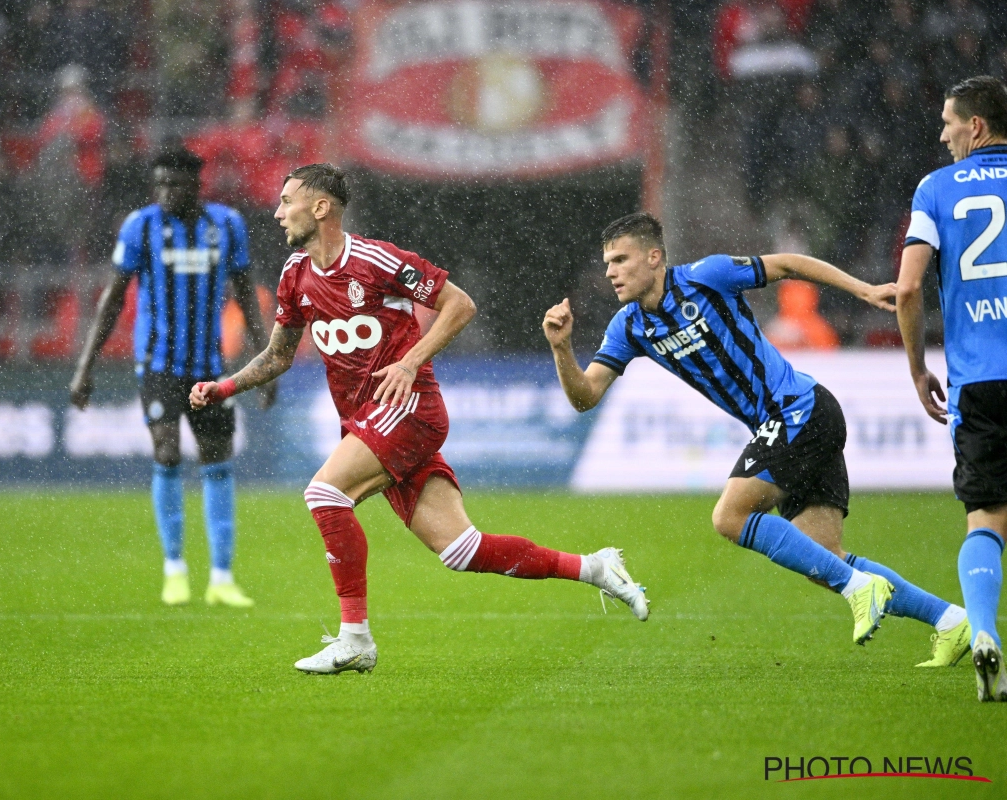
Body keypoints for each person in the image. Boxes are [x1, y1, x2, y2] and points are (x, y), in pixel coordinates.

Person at [190, 163, 648, 675]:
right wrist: (224, 387)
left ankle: (355, 638)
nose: (276, 213)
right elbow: (277, 357)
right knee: (462, 549)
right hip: (368, 421)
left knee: (324, 493)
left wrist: (410, 361)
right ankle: (596, 567)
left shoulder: (376, 260)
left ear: (320, 208)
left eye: (286, 201)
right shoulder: (295, 275)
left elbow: (460, 304)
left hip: (410, 410)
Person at [543, 212, 969, 664]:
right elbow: (585, 396)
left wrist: (863, 289)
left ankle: (861, 588)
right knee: (824, 560)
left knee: (729, 516)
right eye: (607, 262)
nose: (610, 271)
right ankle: (950, 621)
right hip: (793, 423)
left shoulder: (708, 277)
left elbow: (786, 265)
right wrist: (562, 348)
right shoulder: (629, 327)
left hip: (799, 409)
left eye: (620, 259)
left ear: (654, 257)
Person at [70, 145, 272, 608]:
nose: (165, 192)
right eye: (158, 183)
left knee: (216, 459)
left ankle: (221, 577)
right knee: (166, 451)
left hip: (208, 367)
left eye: (174, 184)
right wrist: (85, 368)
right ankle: (175, 569)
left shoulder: (226, 226)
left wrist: (266, 363)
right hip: (158, 364)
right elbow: (112, 300)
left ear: (196, 185)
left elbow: (246, 295)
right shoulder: (141, 226)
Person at [896, 75, 1007, 701]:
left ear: (978, 128)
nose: (942, 135)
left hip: (980, 380)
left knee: (985, 516)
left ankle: (985, 631)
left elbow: (909, 288)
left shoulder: (935, 189)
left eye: (949, 123)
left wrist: (917, 368)